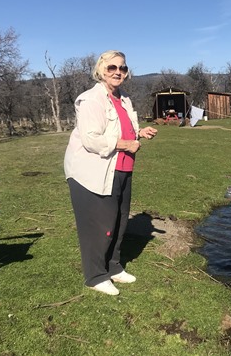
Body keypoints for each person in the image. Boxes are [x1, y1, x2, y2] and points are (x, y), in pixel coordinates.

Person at [64, 50, 158, 296]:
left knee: (119, 220)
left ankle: (114, 267)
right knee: (100, 224)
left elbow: (123, 129)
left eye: (123, 68)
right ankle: (95, 276)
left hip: (122, 167)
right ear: (101, 71)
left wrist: (139, 134)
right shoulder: (91, 100)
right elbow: (91, 139)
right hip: (92, 171)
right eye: (112, 68)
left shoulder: (123, 97)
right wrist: (127, 144)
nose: (118, 72)